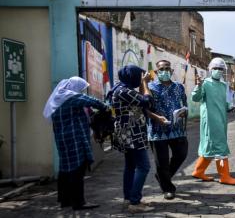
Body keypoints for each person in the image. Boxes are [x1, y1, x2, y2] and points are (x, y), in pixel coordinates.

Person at [110, 65, 167, 213]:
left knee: (130, 166)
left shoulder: (121, 89)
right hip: (132, 134)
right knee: (144, 166)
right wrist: (145, 83)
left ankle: (128, 199)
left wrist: (142, 85)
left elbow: (140, 103)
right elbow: (146, 101)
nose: (140, 78)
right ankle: (134, 202)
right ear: (133, 76)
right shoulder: (124, 91)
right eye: (139, 75)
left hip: (128, 133)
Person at [43, 76, 106, 210]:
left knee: (65, 169)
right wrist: (104, 107)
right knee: (77, 170)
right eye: (81, 89)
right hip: (75, 138)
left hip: (62, 140)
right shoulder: (70, 97)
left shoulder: (57, 99)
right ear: (74, 88)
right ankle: (79, 202)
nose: (81, 92)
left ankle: (65, 200)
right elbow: (92, 101)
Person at [191, 57, 235, 185]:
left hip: (221, 120)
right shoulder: (205, 83)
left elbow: (223, 103)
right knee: (220, 147)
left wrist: (230, 107)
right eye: (215, 68)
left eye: (220, 69)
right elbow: (196, 98)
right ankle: (224, 176)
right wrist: (198, 85)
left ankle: (198, 171)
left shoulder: (223, 85)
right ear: (210, 69)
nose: (218, 71)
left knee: (210, 147)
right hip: (210, 121)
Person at [147, 60, 189, 200]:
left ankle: (163, 177)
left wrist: (184, 112)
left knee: (181, 154)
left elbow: (184, 102)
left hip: (177, 129)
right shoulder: (150, 87)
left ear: (171, 71)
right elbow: (144, 108)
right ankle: (168, 188)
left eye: (167, 68)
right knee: (162, 161)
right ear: (156, 71)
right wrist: (157, 118)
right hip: (157, 130)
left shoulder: (179, 87)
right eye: (161, 69)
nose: (164, 71)